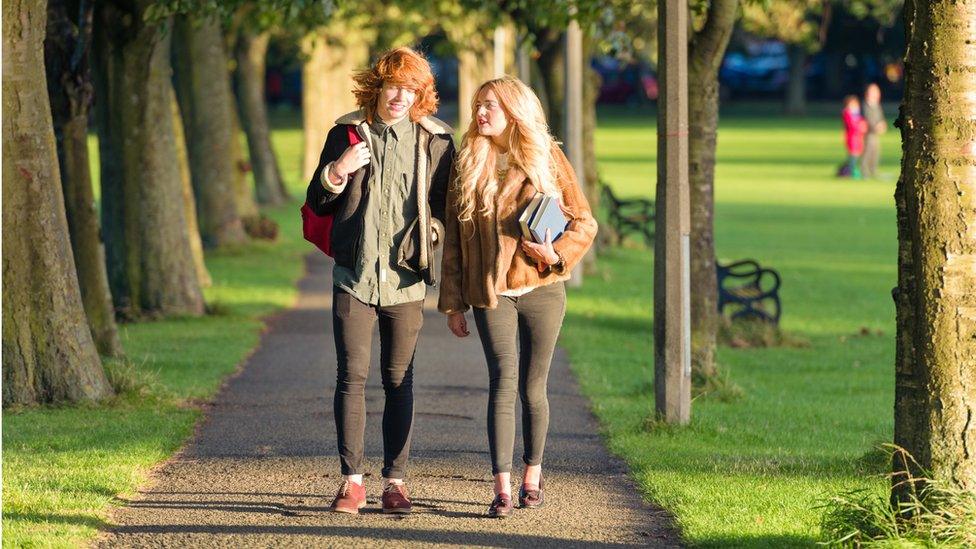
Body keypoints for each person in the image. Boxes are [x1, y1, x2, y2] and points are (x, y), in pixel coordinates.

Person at [438, 76, 598, 518]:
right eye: (478, 105)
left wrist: (556, 253)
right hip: (494, 293)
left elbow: (584, 223)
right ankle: (502, 487)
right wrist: (453, 302)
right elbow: (453, 241)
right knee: (502, 384)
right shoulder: (469, 161)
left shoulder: (548, 157)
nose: (480, 113)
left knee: (534, 388)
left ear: (514, 111)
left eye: (490, 105)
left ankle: (533, 474)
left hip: (543, 290)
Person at [305, 47, 455, 515]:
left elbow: (446, 207)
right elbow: (318, 199)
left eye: (411, 89)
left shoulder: (435, 141)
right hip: (354, 277)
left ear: (421, 94)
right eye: (394, 87)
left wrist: (432, 234)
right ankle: (351, 482)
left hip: (406, 282)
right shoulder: (347, 133)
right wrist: (338, 170)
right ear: (378, 87)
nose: (400, 97)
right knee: (351, 377)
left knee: (399, 379)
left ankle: (394, 481)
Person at [860, 83, 887, 178]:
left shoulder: (876, 105)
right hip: (868, 133)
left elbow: (880, 117)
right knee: (867, 151)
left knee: (876, 151)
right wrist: (875, 127)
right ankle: (864, 171)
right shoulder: (865, 105)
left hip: (875, 133)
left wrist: (882, 125)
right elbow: (867, 118)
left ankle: (873, 170)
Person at [841, 94, 868, 179]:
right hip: (852, 138)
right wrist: (860, 127)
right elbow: (852, 125)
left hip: (858, 138)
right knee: (853, 156)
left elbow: (862, 122)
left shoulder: (857, 114)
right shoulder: (847, 113)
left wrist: (863, 126)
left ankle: (851, 171)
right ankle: (849, 172)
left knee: (857, 156)